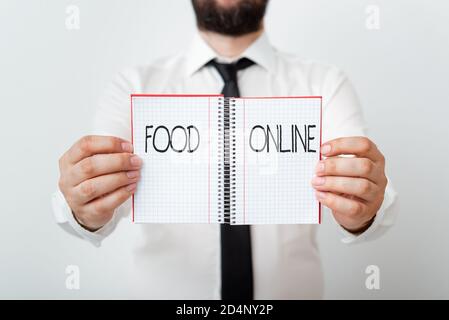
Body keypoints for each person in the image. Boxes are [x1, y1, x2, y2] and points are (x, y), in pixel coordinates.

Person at [53, 0, 397, 299]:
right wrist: (85, 209)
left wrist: (363, 210)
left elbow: (371, 201)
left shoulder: (325, 84)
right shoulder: (133, 87)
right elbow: (96, 205)